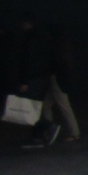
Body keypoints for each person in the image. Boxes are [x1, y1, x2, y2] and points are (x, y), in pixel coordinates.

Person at [9, 16, 62, 148]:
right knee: (34, 106)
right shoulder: (44, 38)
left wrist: (24, 81)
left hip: (32, 78)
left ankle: (46, 128)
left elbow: (27, 61)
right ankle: (38, 136)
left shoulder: (29, 39)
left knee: (29, 107)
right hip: (42, 77)